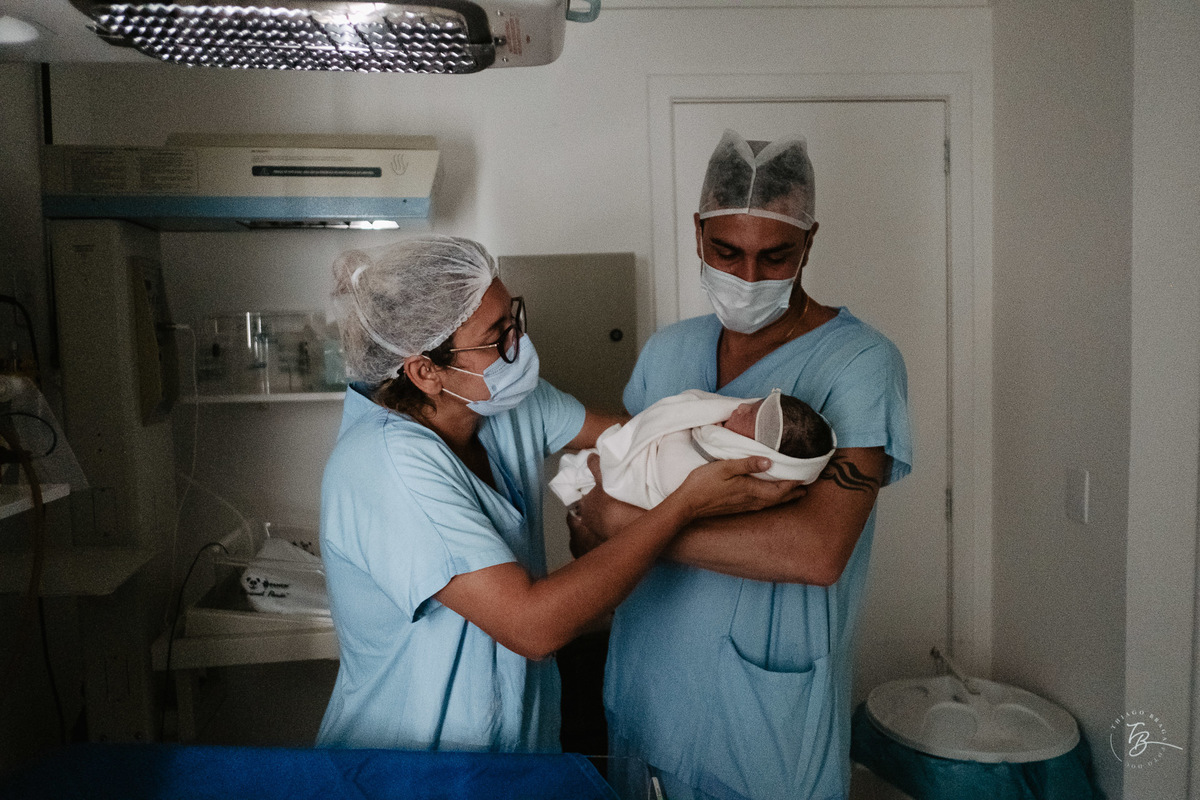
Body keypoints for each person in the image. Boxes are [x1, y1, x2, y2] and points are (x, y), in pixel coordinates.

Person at [314, 234, 806, 754]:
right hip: (411, 770)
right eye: (497, 336)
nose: (519, 347)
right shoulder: (386, 466)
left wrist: (737, 439)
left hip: (512, 753)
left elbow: (635, 436)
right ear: (425, 371)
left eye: (515, 320)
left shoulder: (499, 403)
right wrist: (684, 505)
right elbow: (532, 626)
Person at [571, 130, 912, 800]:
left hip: (763, 712)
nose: (749, 277)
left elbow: (815, 551)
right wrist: (601, 523)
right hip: (647, 681)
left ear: (808, 243)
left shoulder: (861, 364)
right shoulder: (668, 353)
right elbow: (602, 498)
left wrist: (637, 529)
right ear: (698, 234)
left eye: (774, 256)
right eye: (728, 252)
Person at [548, 387, 835, 510]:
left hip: (638, 479)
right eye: (753, 404)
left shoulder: (724, 467)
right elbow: (677, 412)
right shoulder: (719, 426)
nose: (743, 407)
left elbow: (669, 478)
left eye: (751, 416)